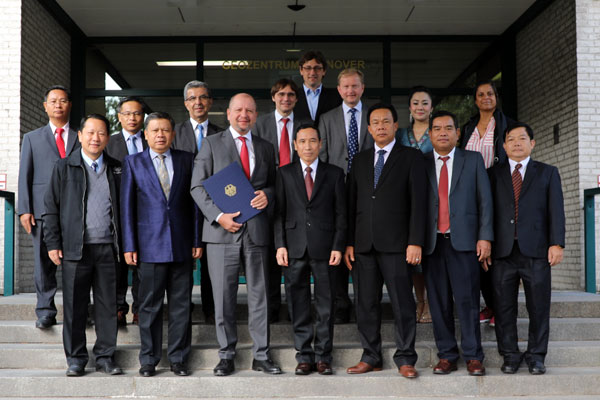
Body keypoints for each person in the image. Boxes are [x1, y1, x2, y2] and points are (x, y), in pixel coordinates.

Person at [191, 93, 280, 376]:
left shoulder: (266, 147)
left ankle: (262, 355)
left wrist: (267, 195)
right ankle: (226, 354)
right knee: (223, 297)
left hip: (256, 231)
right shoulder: (211, 143)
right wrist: (219, 216)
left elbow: (275, 186)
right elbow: (197, 187)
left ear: (256, 115)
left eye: (250, 111)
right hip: (221, 233)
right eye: (239, 110)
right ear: (228, 114)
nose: (244, 115)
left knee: (260, 296)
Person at [344, 103, 426, 379]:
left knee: (403, 303)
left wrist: (416, 241)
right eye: (375, 122)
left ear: (395, 126)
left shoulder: (412, 158)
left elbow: (419, 204)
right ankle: (371, 356)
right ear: (368, 129)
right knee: (365, 304)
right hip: (363, 246)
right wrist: (349, 242)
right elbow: (351, 204)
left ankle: (405, 357)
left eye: (385, 121)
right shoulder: (359, 160)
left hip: (399, 245)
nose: (380, 126)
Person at [120, 112, 202, 377]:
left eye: (165, 130)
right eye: (154, 130)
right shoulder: (133, 163)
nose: (160, 135)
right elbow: (127, 209)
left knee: (181, 307)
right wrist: (129, 245)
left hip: (181, 246)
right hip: (148, 248)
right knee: (149, 306)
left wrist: (197, 239)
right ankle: (149, 359)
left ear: (173, 134)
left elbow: (196, 205)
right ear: (145, 134)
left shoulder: (187, 160)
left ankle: (178, 358)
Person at [43, 114, 123, 377]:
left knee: (107, 306)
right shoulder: (64, 167)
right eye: (90, 132)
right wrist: (53, 243)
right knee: (76, 307)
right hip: (75, 250)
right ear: (80, 135)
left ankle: (105, 356)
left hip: (108, 249)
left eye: (101, 133)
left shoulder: (117, 168)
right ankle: (76, 359)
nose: (95, 138)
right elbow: (51, 209)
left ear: (107, 138)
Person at [489, 122, 565, 375]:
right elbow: (486, 213)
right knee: (503, 307)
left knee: (539, 307)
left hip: (537, 251)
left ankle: (536, 356)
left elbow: (556, 210)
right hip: (502, 252)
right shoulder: (492, 174)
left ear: (532, 143)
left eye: (522, 138)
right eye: (511, 139)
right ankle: (510, 355)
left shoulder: (547, 173)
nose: (517, 143)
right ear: (504, 145)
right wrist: (486, 242)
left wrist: (557, 243)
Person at [423, 110, 493, 377]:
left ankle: (474, 356)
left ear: (457, 133)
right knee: (438, 303)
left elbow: (485, 201)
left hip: (464, 243)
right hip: (432, 244)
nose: (443, 132)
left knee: (467, 301)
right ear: (430, 134)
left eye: (448, 128)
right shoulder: (421, 162)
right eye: (437, 128)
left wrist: (485, 237)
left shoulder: (472, 160)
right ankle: (447, 355)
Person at [274, 123, 346, 375]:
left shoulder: (335, 173)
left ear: (320, 144)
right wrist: (280, 244)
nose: (308, 146)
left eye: (312, 141)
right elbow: (279, 213)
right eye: (302, 141)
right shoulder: (283, 173)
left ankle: (324, 356)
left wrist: (338, 245)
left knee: (327, 304)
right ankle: (304, 355)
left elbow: (341, 214)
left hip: (326, 248)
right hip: (293, 247)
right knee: (298, 302)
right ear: (295, 145)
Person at [18, 85, 79, 329]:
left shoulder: (79, 136)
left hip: (74, 211)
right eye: (53, 101)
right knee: (43, 264)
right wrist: (24, 208)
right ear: (45, 106)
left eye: (63, 100)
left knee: (76, 264)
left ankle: (78, 310)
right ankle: (45, 310)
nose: (58, 105)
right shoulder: (32, 138)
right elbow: (25, 175)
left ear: (69, 105)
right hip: (42, 212)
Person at [319, 68, 373, 324]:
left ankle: (366, 301)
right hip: (336, 192)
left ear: (362, 88)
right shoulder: (327, 119)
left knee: (363, 246)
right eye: (345, 87)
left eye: (355, 86)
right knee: (338, 246)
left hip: (368, 193)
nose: (350, 91)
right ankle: (340, 302)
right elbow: (323, 158)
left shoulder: (374, 117)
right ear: (339, 90)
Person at [460, 79, 513, 327]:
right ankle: (488, 305)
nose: (485, 98)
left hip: (496, 192)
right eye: (480, 94)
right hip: (469, 195)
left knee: (493, 253)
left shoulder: (506, 125)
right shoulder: (468, 127)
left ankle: (499, 307)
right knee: (475, 253)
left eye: (490, 93)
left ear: (496, 97)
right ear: (475, 100)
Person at [172, 80, 222, 324]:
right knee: (184, 262)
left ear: (210, 102)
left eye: (203, 97)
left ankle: (212, 312)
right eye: (192, 98)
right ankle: (184, 308)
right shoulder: (174, 133)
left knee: (212, 263)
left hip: (214, 206)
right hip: (183, 207)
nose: (198, 102)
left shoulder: (222, 133)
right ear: (186, 104)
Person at [254, 78, 302, 323]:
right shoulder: (259, 124)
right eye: (281, 94)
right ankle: (272, 311)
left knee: (293, 256)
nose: (286, 98)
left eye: (291, 95)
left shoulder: (306, 124)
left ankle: (296, 312)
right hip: (266, 197)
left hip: (297, 197)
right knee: (269, 257)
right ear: (273, 97)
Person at [105, 96, 149, 327]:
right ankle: (119, 307)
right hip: (117, 212)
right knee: (118, 263)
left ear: (143, 117)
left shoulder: (152, 139)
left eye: (137, 114)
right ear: (119, 117)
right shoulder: (108, 143)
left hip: (146, 213)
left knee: (143, 262)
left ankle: (141, 309)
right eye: (127, 114)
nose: (132, 118)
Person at [397, 85, 434, 324]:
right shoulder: (401, 134)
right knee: (413, 257)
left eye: (425, 103)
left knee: (430, 252)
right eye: (416, 103)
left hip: (434, 195)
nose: (420, 107)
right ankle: (419, 300)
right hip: (405, 197)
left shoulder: (439, 129)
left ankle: (430, 302)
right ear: (409, 107)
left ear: (431, 107)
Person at [294, 50, 342, 124]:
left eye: (317, 68)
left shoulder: (337, 97)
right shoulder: (292, 96)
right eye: (308, 68)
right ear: (301, 70)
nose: (313, 72)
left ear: (324, 71)